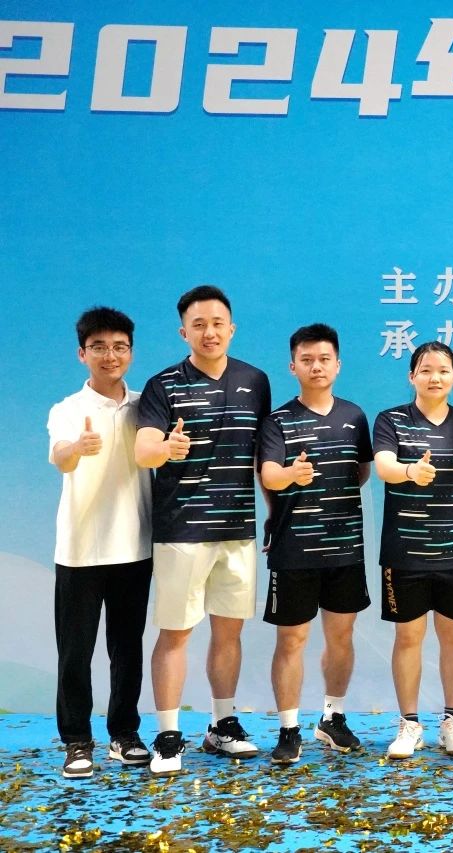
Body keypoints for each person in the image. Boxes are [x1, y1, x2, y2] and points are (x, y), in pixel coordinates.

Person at [135, 286, 271, 776]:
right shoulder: (163, 385)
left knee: (229, 631)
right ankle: (169, 735)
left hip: (238, 529)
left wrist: (273, 512)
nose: (209, 332)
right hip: (182, 530)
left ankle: (222, 724)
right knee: (175, 633)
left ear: (231, 328)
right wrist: (165, 449)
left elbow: (263, 456)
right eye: (199, 324)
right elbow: (144, 450)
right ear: (183, 332)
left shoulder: (255, 380)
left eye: (217, 323)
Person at [258, 324, 373, 764]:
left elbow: (361, 471)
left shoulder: (355, 417)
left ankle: (332, 718)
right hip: (294, 549)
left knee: (341, 636)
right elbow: (269, 474)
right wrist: (292, 475)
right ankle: (289, 728)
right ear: (293, 366)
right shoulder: (278, 421)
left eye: (324, 359)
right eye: (307, 360)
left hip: (345, 547)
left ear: (337, 365)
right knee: (292, 640)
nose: (316, 367)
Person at [48, 307, 153, 778]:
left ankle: (124, 733)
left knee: (127, 648)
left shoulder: (145, 407)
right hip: (81, 549)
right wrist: (76, 449)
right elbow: (60, 456)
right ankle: (76, 740)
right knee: (75, 650)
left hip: (135, 545)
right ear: (82, 353)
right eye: (99, 347)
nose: (110, 355)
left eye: (119, 347)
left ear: (130, 352)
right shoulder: (68, 409)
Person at [374, 341, 453, 760]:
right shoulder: (391, 420)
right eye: (425, 370)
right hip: (404, 551)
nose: (434, 377)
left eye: (443, 370)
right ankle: (409, 725)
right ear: (412, 377)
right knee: (408, 636)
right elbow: (383, 466)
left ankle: (452, 723)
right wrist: (410, 471)